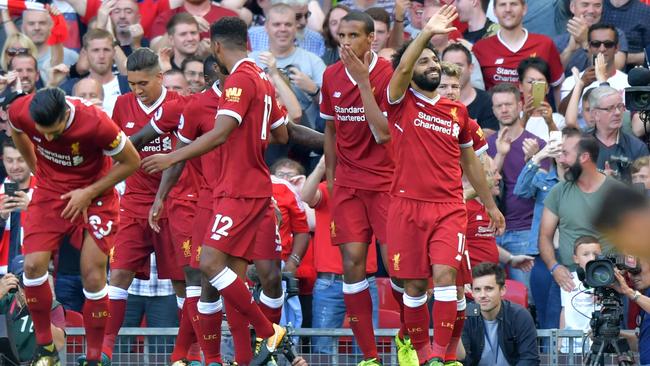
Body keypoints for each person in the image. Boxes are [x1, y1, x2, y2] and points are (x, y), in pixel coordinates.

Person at [141, 16, 290, 365]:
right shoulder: (263, 79)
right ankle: (241, 359)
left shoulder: (239, 78)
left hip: (237, 190)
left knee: (208, 264)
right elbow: (283, 134)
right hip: (255, 187)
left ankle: (268, 332)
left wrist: (171, 157)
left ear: (218, 47)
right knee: (231, 279)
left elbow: (222, 131)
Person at [365, 5, 504, 365]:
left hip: (448, 209)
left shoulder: (456, 111)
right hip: (406, 207)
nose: (431, 66)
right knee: (413, 289)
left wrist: (490, 204)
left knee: (446, 279)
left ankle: (443, 357)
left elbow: (471, 162)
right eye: (423, 62)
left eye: (434, 61)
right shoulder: (399, 102)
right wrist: (425, 33)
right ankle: (423, 355)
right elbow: (404, 67)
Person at [6, 86, 140, 365]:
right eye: (42, 132)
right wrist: (36, 169)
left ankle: (94, 357)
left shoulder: (97, 122)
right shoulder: (23, 110)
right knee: (31, 266)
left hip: (96, 196)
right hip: (50, 192)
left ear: (66, 114)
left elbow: (131, 161)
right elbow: (16, 127)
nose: (48, 138)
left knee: (92, 275)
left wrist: (88, 193)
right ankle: (46, 349)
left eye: (53, 132)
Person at [99, 47, 188, 364]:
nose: (137, 90)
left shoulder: (180, 106)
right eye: (132, 83)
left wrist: (164, 198)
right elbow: (112, 153)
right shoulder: (122, 105)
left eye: (143, 83)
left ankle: (185, 353)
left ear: (160, 77)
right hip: (135, 202)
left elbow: (182, 159)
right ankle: (104, 351)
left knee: (181, 281)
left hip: (174, 203)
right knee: (119, 273)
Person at [319, 10, 396, 366]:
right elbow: (331, 130)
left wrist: (364, 81)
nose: (346, 42)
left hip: (385, 183)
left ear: (371, 40)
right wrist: (332, 178)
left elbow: (385, 132)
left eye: (353, 36)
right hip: (349, 184)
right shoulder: (330, 75)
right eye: (342, 35)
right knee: (352, 264)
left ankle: (408, 342)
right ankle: (369, 356)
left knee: (397, 267)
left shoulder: (387, 74)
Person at [539, 127, 622, 331]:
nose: (562, 160)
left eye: (566, 154)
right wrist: (553, 267)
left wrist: (618, 275)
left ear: (584, 157)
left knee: (612, 348)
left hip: (609, 282)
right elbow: (544, 236)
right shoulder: (559, 191)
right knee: (559, 348)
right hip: (567, 279)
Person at [487, 82, 546, 288]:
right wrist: (501, 154)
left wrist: (533, 160)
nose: (504, 109)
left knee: (525, 297)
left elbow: (544, 189)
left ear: (520, 106)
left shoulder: (537, 144)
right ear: (493, 110)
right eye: (498, 106)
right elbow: (483, 187)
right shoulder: (485, 146)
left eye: (508, 104)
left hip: (524, 229)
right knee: (486, 296)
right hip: (491, 231)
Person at [251, 3, 326, 130]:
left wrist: (314, 90)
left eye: (288, 24)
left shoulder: (313, 61)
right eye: (276, 24)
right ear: (266, 27)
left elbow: (333, 108)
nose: (283, 29)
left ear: (296, 27)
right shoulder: (252, 60)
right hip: (261, 133)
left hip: (305, 138)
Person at [472, 0, 564, 92]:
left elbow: (557, 86)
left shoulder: (545, 44)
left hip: (537, 106)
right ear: (494, 11)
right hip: (499, 106)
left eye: (513, 4)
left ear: (524, 9)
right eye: (502, 5)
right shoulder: (480, 48)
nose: (508, 9)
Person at [460, 262, 540, 365]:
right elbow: (462, 359)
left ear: (502, 290)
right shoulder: (466, 314)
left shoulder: (519, 315)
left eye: (489, 289)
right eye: (477, 289)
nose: (482, 295)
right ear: (472, 293)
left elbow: (530, 359)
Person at [0, 256, 65, 363]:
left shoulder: (52, 306)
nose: (29, 285)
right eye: (24, 279)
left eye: (33, 279)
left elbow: (59, 344)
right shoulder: (5, 301)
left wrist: (36, 309)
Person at [60, 29, 130, 116]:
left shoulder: (129, 86)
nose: (101, 56)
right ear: (85, 53)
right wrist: (52, 83)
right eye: (95, 50)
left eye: (106, 50)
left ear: (113, 53)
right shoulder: (70, 88)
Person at [587, 85, 648, 180]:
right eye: (610, 108)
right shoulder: (581, 146)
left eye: (620, 106)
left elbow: (646, 187)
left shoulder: (637, 147)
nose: (617, 112)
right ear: (595, 114)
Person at [554, 0, 627, 73]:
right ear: (572, 7)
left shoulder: (615, 35)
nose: (591, 10)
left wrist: (585, 42)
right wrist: (569, 50)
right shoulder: (559, 41)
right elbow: (552, 77)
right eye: (585, 5)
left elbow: (616, 67)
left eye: (597, 5)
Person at [442, 43, 499, 135]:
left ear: (471, 68)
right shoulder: (433, 102)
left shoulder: (488, 102)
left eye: (459, 65)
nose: (453, 70)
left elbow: (489, 141)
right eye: (448, 66)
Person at [559, 235, 601, 353]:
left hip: (596, 342)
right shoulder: (568, 279)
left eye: (596, 254)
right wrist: (560, 340)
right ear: (576, 258)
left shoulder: (606, 280)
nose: (592, 258)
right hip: (571, 341)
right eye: (586, 254)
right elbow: (564, 309)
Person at [0, 139, 35, 276]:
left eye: (20, 160)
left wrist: (32, 209)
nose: (15, 167)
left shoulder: (45, 193)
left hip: (36, 273)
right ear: (3, 161)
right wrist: (1, 219)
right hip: (3, 278)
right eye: (9, 160)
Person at [248, 0, 326, 57]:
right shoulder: (252, 37)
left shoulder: (317, 40)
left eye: (306, 15)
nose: (304, 22)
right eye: (297, 17)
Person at [517, 57, 565, 141]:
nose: (534, 86)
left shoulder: (558, 119)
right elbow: (510, 147)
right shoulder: (513, 117)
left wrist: (550, 123)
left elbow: (558, 148)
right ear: (520, 86)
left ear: (547, 88)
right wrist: (524, 118)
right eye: (530, 82)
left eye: (540, 82)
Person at [614, 258, 650, 365]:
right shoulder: (645, 296)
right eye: (629, 271)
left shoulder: (639, 297)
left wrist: (630, 292)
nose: (631, 275)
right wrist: (613, 334)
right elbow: (643, 342)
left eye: (637, 269)